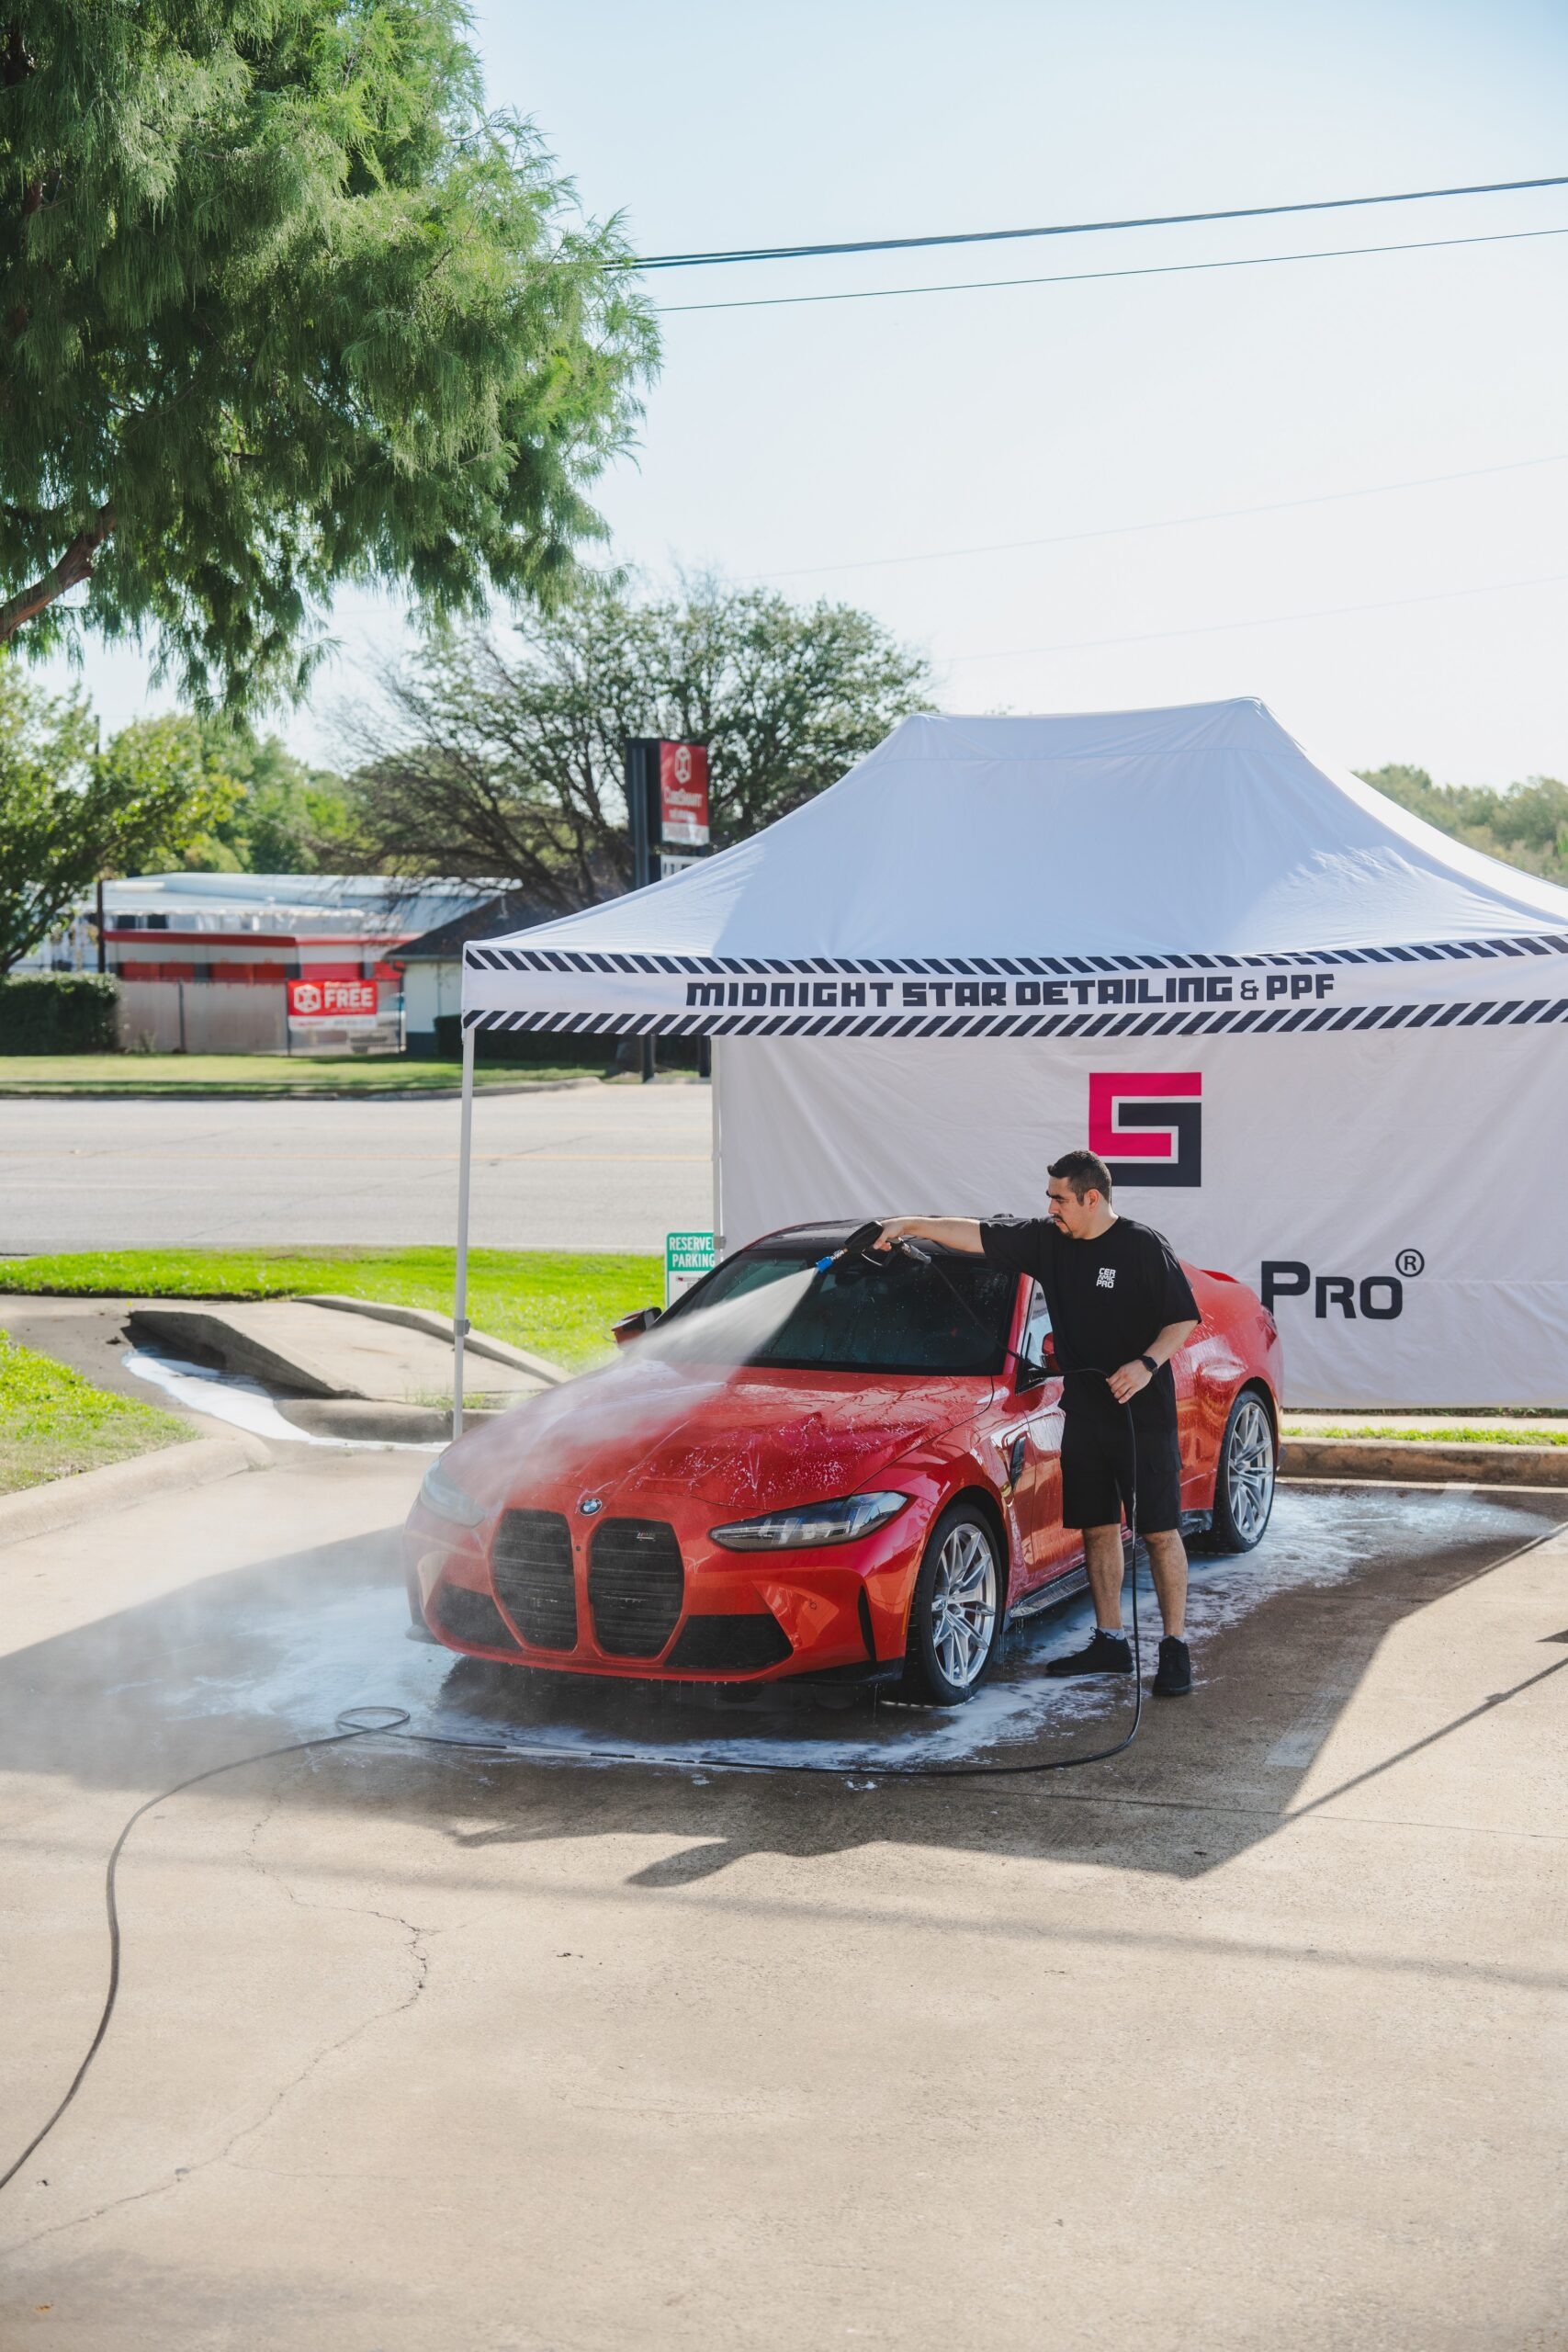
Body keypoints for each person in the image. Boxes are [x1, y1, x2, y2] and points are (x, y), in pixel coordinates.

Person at [874, 1148, 1201, 1697]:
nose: (1050, 1207)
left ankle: (1173, 1648)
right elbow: (975, 1234)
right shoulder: (1051, 1242)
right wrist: (906, 1225)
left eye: (1059, 1198)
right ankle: (1110, 1642)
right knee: (1097, 1525)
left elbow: (1183, 1316)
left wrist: (1145, 1366)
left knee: (1158, 1531)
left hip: (1142, 1417)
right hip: (1087, 1413)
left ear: (1091, 1198)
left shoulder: (1141, 1246)